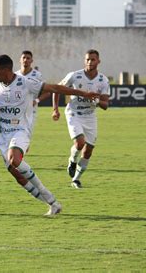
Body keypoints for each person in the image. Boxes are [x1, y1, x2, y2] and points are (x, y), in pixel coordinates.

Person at [0, 54, 101, 216]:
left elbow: (55, 88)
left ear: (5, 70)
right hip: (2, 135)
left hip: (20, 130)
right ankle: (52, 203)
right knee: (17, 174)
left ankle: (49, 195)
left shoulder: (25, 83)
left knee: (14, 159)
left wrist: (83, 93)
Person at [52, 49, 110, 189]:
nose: (90, 62)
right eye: (88, 59)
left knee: (88, 150)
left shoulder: (103, 80)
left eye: (93, 59)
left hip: (90, 116)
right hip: (74, 113)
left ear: (98, 61)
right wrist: (55, 109)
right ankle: (72, 160)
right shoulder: (74, 75)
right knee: (80, 143)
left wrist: (95, 101)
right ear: (85, 61)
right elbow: (57, 89)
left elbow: (105, 104)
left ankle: (76, 180)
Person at [15, 50, 50, 133]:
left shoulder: (37, 75)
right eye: (24, 58)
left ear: (31, 61)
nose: (25, 60)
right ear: (20, 60)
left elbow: (47, 92)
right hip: (16, 112)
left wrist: (36, 101)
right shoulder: (15, 75)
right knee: (15, 136)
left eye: (28, 58)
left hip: (30, 112)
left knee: (25, 136)